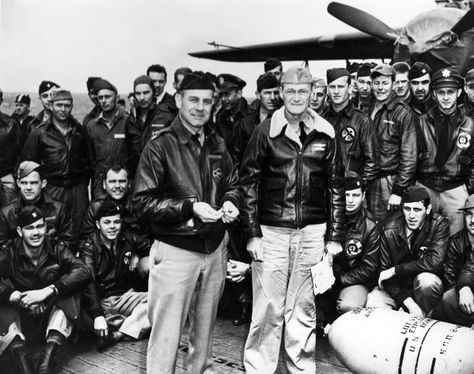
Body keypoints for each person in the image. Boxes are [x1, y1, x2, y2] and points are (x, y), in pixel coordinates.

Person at [132, 71, 240, 374]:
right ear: (178, 100)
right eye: (193, 99)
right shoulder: (160, 146)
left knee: (203, 342)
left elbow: (232, 183)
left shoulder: (218, 143)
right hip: (176, 251)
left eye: (207, 101)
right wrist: (189, 208)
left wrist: (231, 201)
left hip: (215, 250)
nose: (200, 107)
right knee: (165, 340)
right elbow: (141, 204)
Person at [239, 66, 344, 373]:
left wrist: (334, 236)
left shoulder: (326, 132)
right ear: (281, 93)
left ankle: (301, 368)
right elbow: (247, 183)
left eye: (303, 91)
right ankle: (259, 368)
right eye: (291, 91)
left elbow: (336, 186)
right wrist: (252, 233)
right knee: (267, 309)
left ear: (312, 93)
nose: (297, 97)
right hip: (271, 232)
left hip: (312, 233)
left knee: (303, 309)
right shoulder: (265, 132)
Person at [0, 206, 90, 374]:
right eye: (30, 228)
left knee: (71, 290)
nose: (36, 233)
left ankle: (49, 355)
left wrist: (48, 291)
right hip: (21, 319)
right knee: (2, 302)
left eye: (40, 226)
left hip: (49, 319)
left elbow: (83, 271)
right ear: (20, 231)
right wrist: (13, 295)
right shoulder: (9, 252)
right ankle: (19, 355)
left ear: (46, 228)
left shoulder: (56, 248)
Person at [80, 200, 150, 352]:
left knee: (161, 300)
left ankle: (117, 334)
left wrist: (138, 254)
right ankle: (130, 326)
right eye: (107, 222)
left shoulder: (127, 239)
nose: (112, 227)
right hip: (102, 301)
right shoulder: (88, 248)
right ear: (98, 224)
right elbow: (89, 283)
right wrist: (98, 315)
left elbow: (151, 246)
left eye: (116, 222)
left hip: (124, 297)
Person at [367, 186, 449, 316]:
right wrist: (409, 303)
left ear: (428, 209)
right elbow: (384, 274)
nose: (411, 215)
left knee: (427, 282)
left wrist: (395, 270)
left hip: (422, 290)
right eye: (407, 209)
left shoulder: (439, 224)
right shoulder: (388, 229)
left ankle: (426, 318)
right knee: (373, 303)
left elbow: (434, 262)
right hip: (396, 289)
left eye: (417, 210)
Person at [22, 89, 91, 240]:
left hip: (78, 190)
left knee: (80, 228)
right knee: (52, 230)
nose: (63, 109)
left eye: (67, 105)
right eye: (59, 105)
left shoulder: (79, 130)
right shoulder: (40, 133)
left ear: (72, 106)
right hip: (53, 189)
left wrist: (81, 184)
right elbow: (27, 165)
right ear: (51, 106)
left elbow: (88, 160)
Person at [317, 173, 380, 327]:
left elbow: (369, 269)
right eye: (346, 195)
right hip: (322, 276)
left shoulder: (371, 225)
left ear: (363, 195)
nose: (350, 200)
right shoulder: (325, 216)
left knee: (349, 306)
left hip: (353, 280)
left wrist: (339, 280)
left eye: (355, 195)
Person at [416, 67, 474, 235]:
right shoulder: (421, 123)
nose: (446, 97)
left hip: (455, 189)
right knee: (424, 238)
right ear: (434, 94)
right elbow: (411, 158)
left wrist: (468, 191)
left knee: (457, 239)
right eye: (441, 92)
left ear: (459, 92)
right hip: (426, 187)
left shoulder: (469, 125)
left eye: (451, 91)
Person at [366, 64, 417, 221]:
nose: (380, 88)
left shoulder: (403, 112)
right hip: (367, 180)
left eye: (385, 83)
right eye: (377, 83)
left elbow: (409, 156)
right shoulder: (366, 107)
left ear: (393, 84)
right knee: (368, 228)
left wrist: (398, 190)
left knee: (389, 229)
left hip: (389, 181)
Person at [323, 68, 379, 184]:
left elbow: (372, 163)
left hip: (352, 192)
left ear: (349, 88)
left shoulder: (362, 121)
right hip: (326, 191)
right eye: (332, 87)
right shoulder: (322, 121)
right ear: (328, 89)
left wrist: (357, 188)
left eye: (341, 87)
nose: (336, 91)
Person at [0, 161, 73, 245]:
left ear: (43, 183)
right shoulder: (6, 213)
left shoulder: (58, 209)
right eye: (24, 183)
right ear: (18, 183)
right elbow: (2, 247)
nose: (28, 188)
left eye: (33, 183)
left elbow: (68, 242)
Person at [432, 195, 474, 326]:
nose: (473, 220)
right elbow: (450, 278)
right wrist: (464, 289)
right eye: (469, 214)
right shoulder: (455, 242)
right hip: (463, 295)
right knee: (448, 298)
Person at [85, 79, 129, 198]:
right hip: (100, 186)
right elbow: (91, 159)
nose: (104, 101)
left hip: (122, 183)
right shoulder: (91, 126)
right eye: (100, 98)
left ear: (117, 97)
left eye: (108, 96)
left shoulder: (128, 122)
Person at [126, 75, 175, 177]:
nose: (142, 98)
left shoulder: (166, 114)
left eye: (146, 93)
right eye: (138, 94)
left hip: (162, 176)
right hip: (137, 177)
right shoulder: (131, 120)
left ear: (154, 93)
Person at [232, 73, 281, 170]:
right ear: (258, 95)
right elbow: (236, 158)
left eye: (276, 92)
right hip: (250, 179)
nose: (272, 97)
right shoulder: (246, 123)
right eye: (267, 93)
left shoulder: (284, 121)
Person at [215, 73, 249, 151]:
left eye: (227, 94)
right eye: (221, 95)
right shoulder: (220, 117)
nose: (223, 99)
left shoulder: (252, 116)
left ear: (239, 94)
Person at [0, 97, 22, 207]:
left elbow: (20, 153)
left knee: (10, 215)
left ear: (1, 100)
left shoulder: (11, 123)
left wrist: (12, 176)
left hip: (5, 178)